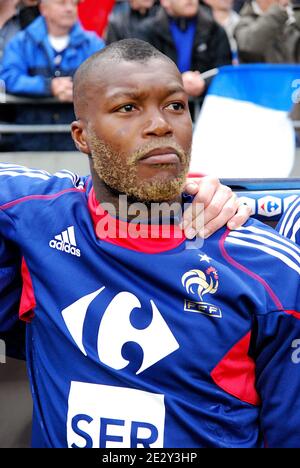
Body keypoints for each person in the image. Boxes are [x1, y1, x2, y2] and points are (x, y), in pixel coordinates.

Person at [0, 39, 299, 448]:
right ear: (82, 137)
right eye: (128, 107)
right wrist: (88, 189)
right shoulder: (36, 219)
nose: (161, 125)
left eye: (176, 105)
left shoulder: (270, 272)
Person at [0, 0, 104, 151]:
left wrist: (76, 89)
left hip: (77, 143)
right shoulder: (22, 43)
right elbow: (8, 77)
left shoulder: (93, 44)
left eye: (74, 4)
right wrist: (48, 87)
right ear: (43, 9)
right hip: (30, 141)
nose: (69, 9)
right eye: (62, 3)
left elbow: (104, 80)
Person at [138, 0, 232, 102]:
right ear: (165, 2)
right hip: (161, 104)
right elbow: (141, 73)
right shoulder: (147, 31)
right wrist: (175, 82)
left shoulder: (215, 30)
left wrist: (204, 83)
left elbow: (225, 71)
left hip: (205, 107)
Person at [234, 0, 300, 63]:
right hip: (259, 74)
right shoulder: (245, 22)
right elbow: (250, 47)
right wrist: (278, 11)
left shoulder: (292, 20)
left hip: (292, 73)